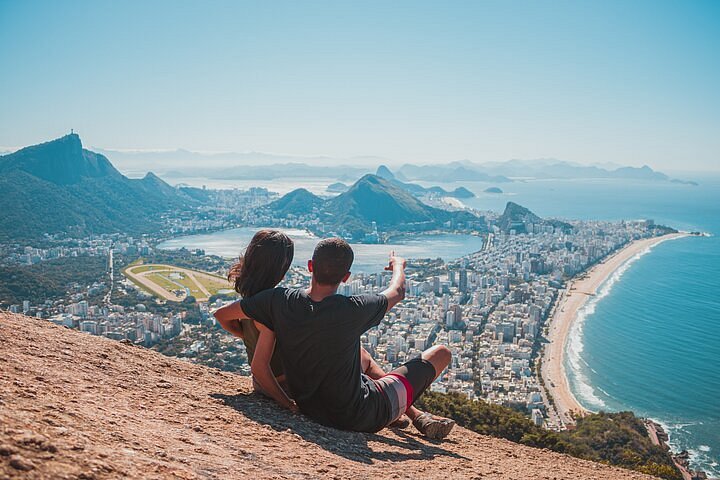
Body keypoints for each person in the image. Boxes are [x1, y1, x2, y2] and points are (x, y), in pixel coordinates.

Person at [215, 237, 455, 439]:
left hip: (311, 406)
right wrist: (399, 265)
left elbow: (221, 314)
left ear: (310, 266)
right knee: (441, 353)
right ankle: (417, 415)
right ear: (347, 277)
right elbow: (397, 291)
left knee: (360, 355)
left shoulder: (278, 301)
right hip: (363, 413)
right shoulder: (353, 308)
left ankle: (413, 414)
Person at [219, 229, 294, 395]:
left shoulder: (249, 301)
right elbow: (260, 367)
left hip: (260, 384)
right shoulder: (268, 305)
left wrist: (245, 335)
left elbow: (220, 315)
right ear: (280, 269)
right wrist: (287, 404)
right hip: (282, 386)